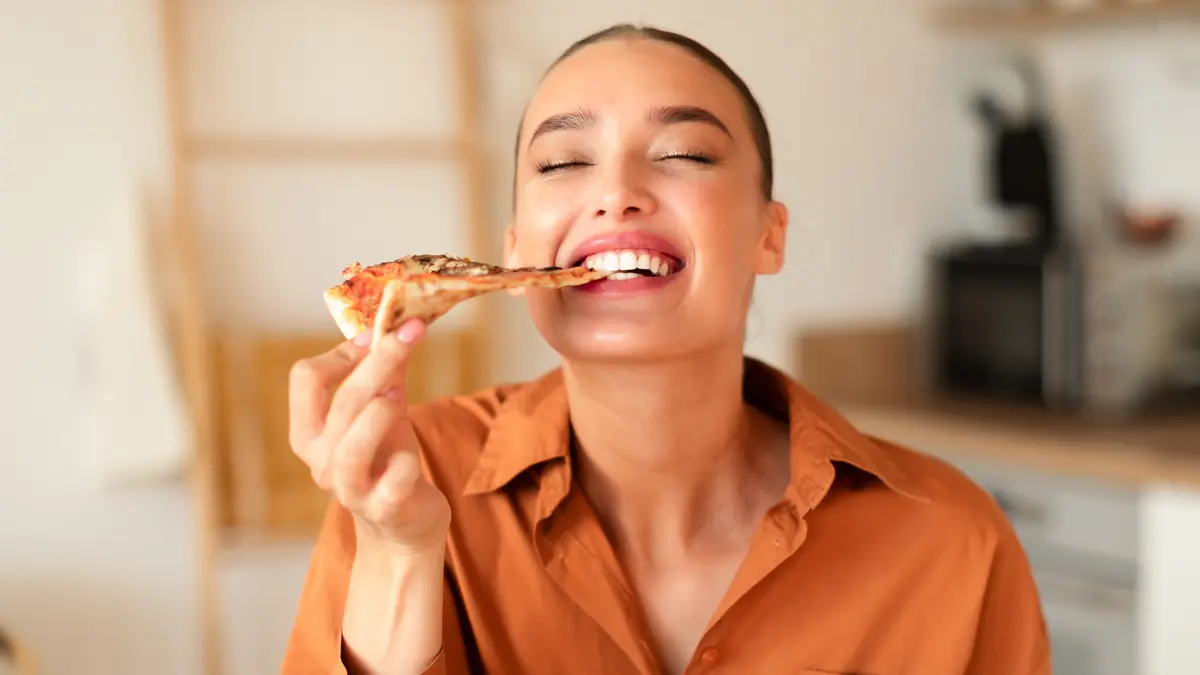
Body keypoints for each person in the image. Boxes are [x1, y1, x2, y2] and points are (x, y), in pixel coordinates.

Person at [280, 23, 1050, 675]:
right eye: (563, 162)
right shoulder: (404, 482)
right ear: (516, 254)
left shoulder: (953, 540)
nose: (617, 190)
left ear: (767, 234)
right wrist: (398, 549)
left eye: (683, 153)